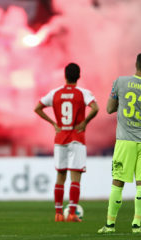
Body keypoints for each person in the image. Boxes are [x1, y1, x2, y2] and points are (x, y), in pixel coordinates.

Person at [98, 52, 141, 234]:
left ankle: (110, 225)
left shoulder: (121, 82)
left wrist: (124, 104)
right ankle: (136, 225)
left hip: (125, 141)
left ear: (136, 64)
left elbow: (109, 108)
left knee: (118, 182)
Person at [34, 63, 99, 222]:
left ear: (65, 76)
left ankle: (57, 214)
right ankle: (71, 214)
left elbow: (37, 108)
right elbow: (95, 108)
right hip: (76, 139)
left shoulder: (55, 93)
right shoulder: (83, 93)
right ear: (79, 76)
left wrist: (54, 123)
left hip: (60, 138)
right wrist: (85, 123)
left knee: (60, 176)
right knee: (75, 177)